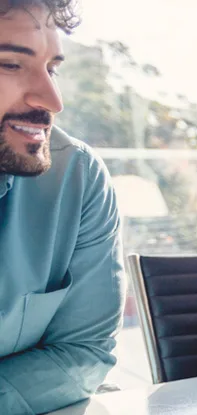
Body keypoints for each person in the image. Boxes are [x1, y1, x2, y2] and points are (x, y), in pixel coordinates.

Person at [0, 1, 125, 414]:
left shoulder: (77, 176)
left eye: (52, 68)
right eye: (11, 65)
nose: (53, 100)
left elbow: (84, 352)